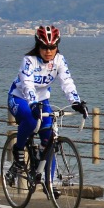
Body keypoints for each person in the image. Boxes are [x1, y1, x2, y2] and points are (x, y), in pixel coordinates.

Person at [5, 25, 88, 184]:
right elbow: (27, 84)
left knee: (49, 139)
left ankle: (49, 183)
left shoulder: (59, 60)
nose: (48, 51)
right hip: (19, 98)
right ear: (38, 45)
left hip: (42, 101)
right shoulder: (29, 61)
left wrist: (75, 102)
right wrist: (33, 103)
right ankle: (19, 150)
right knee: (30, 119)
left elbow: (67, 82)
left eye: (52, 47)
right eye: (44, 47)